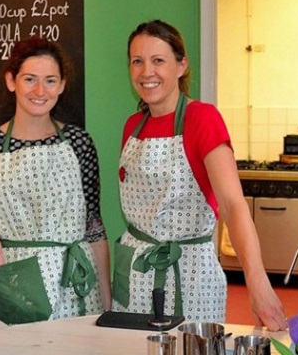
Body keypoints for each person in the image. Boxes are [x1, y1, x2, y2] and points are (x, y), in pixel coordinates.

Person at [112, 19, 288, 331]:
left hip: (190, 274)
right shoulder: (132, 126)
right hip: (135, 273)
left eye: (158, 61)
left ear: (181, 66)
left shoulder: (202, 119)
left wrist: (257, 283)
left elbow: (233, 205)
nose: (146, 72)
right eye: (137, 61)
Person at [0, 38, 110, 325]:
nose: (40, 91)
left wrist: (106, 302)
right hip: (16, 282)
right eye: (30, 79)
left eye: (50, 81)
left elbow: (93, 226)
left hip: (77, 283)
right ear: (11, 81)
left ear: (62, 85)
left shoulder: (80, 143)